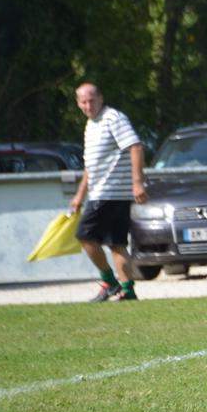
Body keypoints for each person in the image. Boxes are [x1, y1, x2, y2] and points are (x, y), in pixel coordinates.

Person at [68, 83, 148, 302]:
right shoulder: (91, 125)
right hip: (105, 193)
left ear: (101, 98)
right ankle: (128, 290)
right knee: (117, 243)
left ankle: (110, 282)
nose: (88, 105)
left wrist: (137, 182)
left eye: (91, 100)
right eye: (83, 102)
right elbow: (91, 166)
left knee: (84, 236)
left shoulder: (113, 118)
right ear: (78, 103)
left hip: (110, 192)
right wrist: (79, 195)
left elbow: (136, 146)